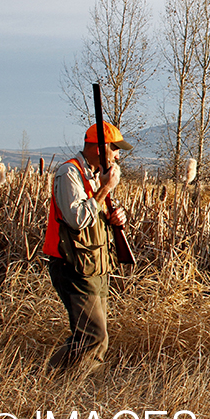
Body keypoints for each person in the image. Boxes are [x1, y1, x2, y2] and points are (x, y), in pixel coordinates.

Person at [41, 121, 132, 375]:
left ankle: (62, 385)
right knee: (93, 336)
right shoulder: (68, 174)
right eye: (115, 149)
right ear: (100, 148)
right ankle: (51, 382)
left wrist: (114, 217)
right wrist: (106, 188)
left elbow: (93, 214)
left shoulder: (94, 175)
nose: (117, 155)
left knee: (92, 337)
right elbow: (77, 219)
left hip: (94, 265)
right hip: (73, 266)